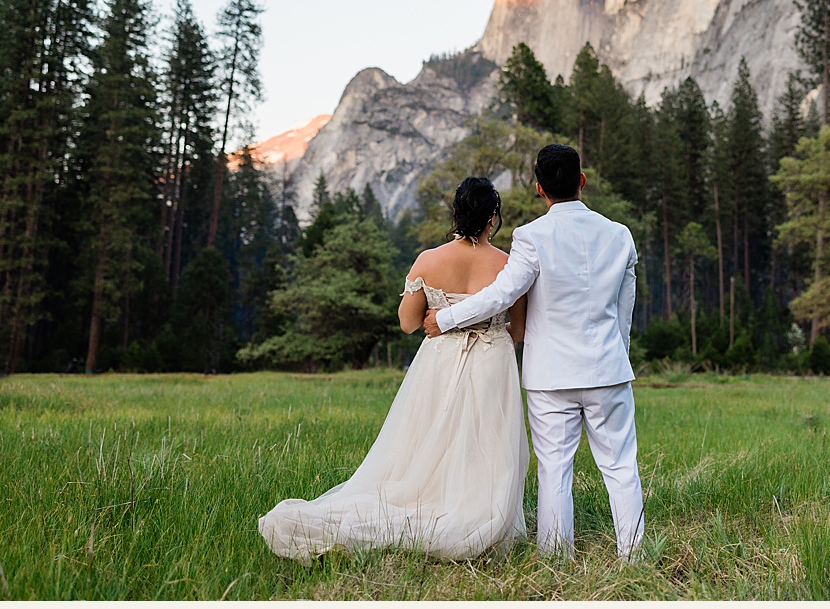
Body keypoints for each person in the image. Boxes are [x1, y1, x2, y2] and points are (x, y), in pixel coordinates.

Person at [259, 177, 529, 562]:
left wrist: (442, 314)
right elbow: (517, 330)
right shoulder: (507, 265)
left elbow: (406, 322)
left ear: (456, 214)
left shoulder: (428, 261)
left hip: (439, 361)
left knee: (429, 440)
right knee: (484, 441)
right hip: (491, 362)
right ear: (492, 219)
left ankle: (427, 498)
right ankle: (475, 510)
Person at [425, 144, 645, 559]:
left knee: (554, 472)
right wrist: (618, 356)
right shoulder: (620, 235)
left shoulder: (531, 237)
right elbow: (624, 313)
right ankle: (632, 557)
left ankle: (556, 560)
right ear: (582, 181)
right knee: (621, 469)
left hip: (551, 378)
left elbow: (502, 295)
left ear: (540, 189)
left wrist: (447, 319)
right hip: (609, 370)